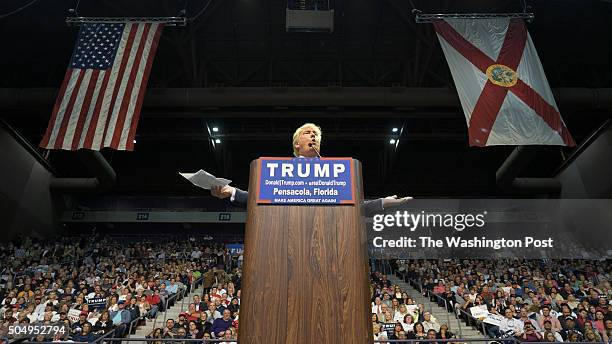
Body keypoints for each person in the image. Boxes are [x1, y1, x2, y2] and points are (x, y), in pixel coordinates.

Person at [210, 123, 412, 216]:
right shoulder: (280, 171)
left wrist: (384, 203)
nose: (313, 136)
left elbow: (355, 206)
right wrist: (231, 192)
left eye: (316, 134)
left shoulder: (336, 173)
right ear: (297, 144)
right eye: (308, 133)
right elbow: (259, 199)